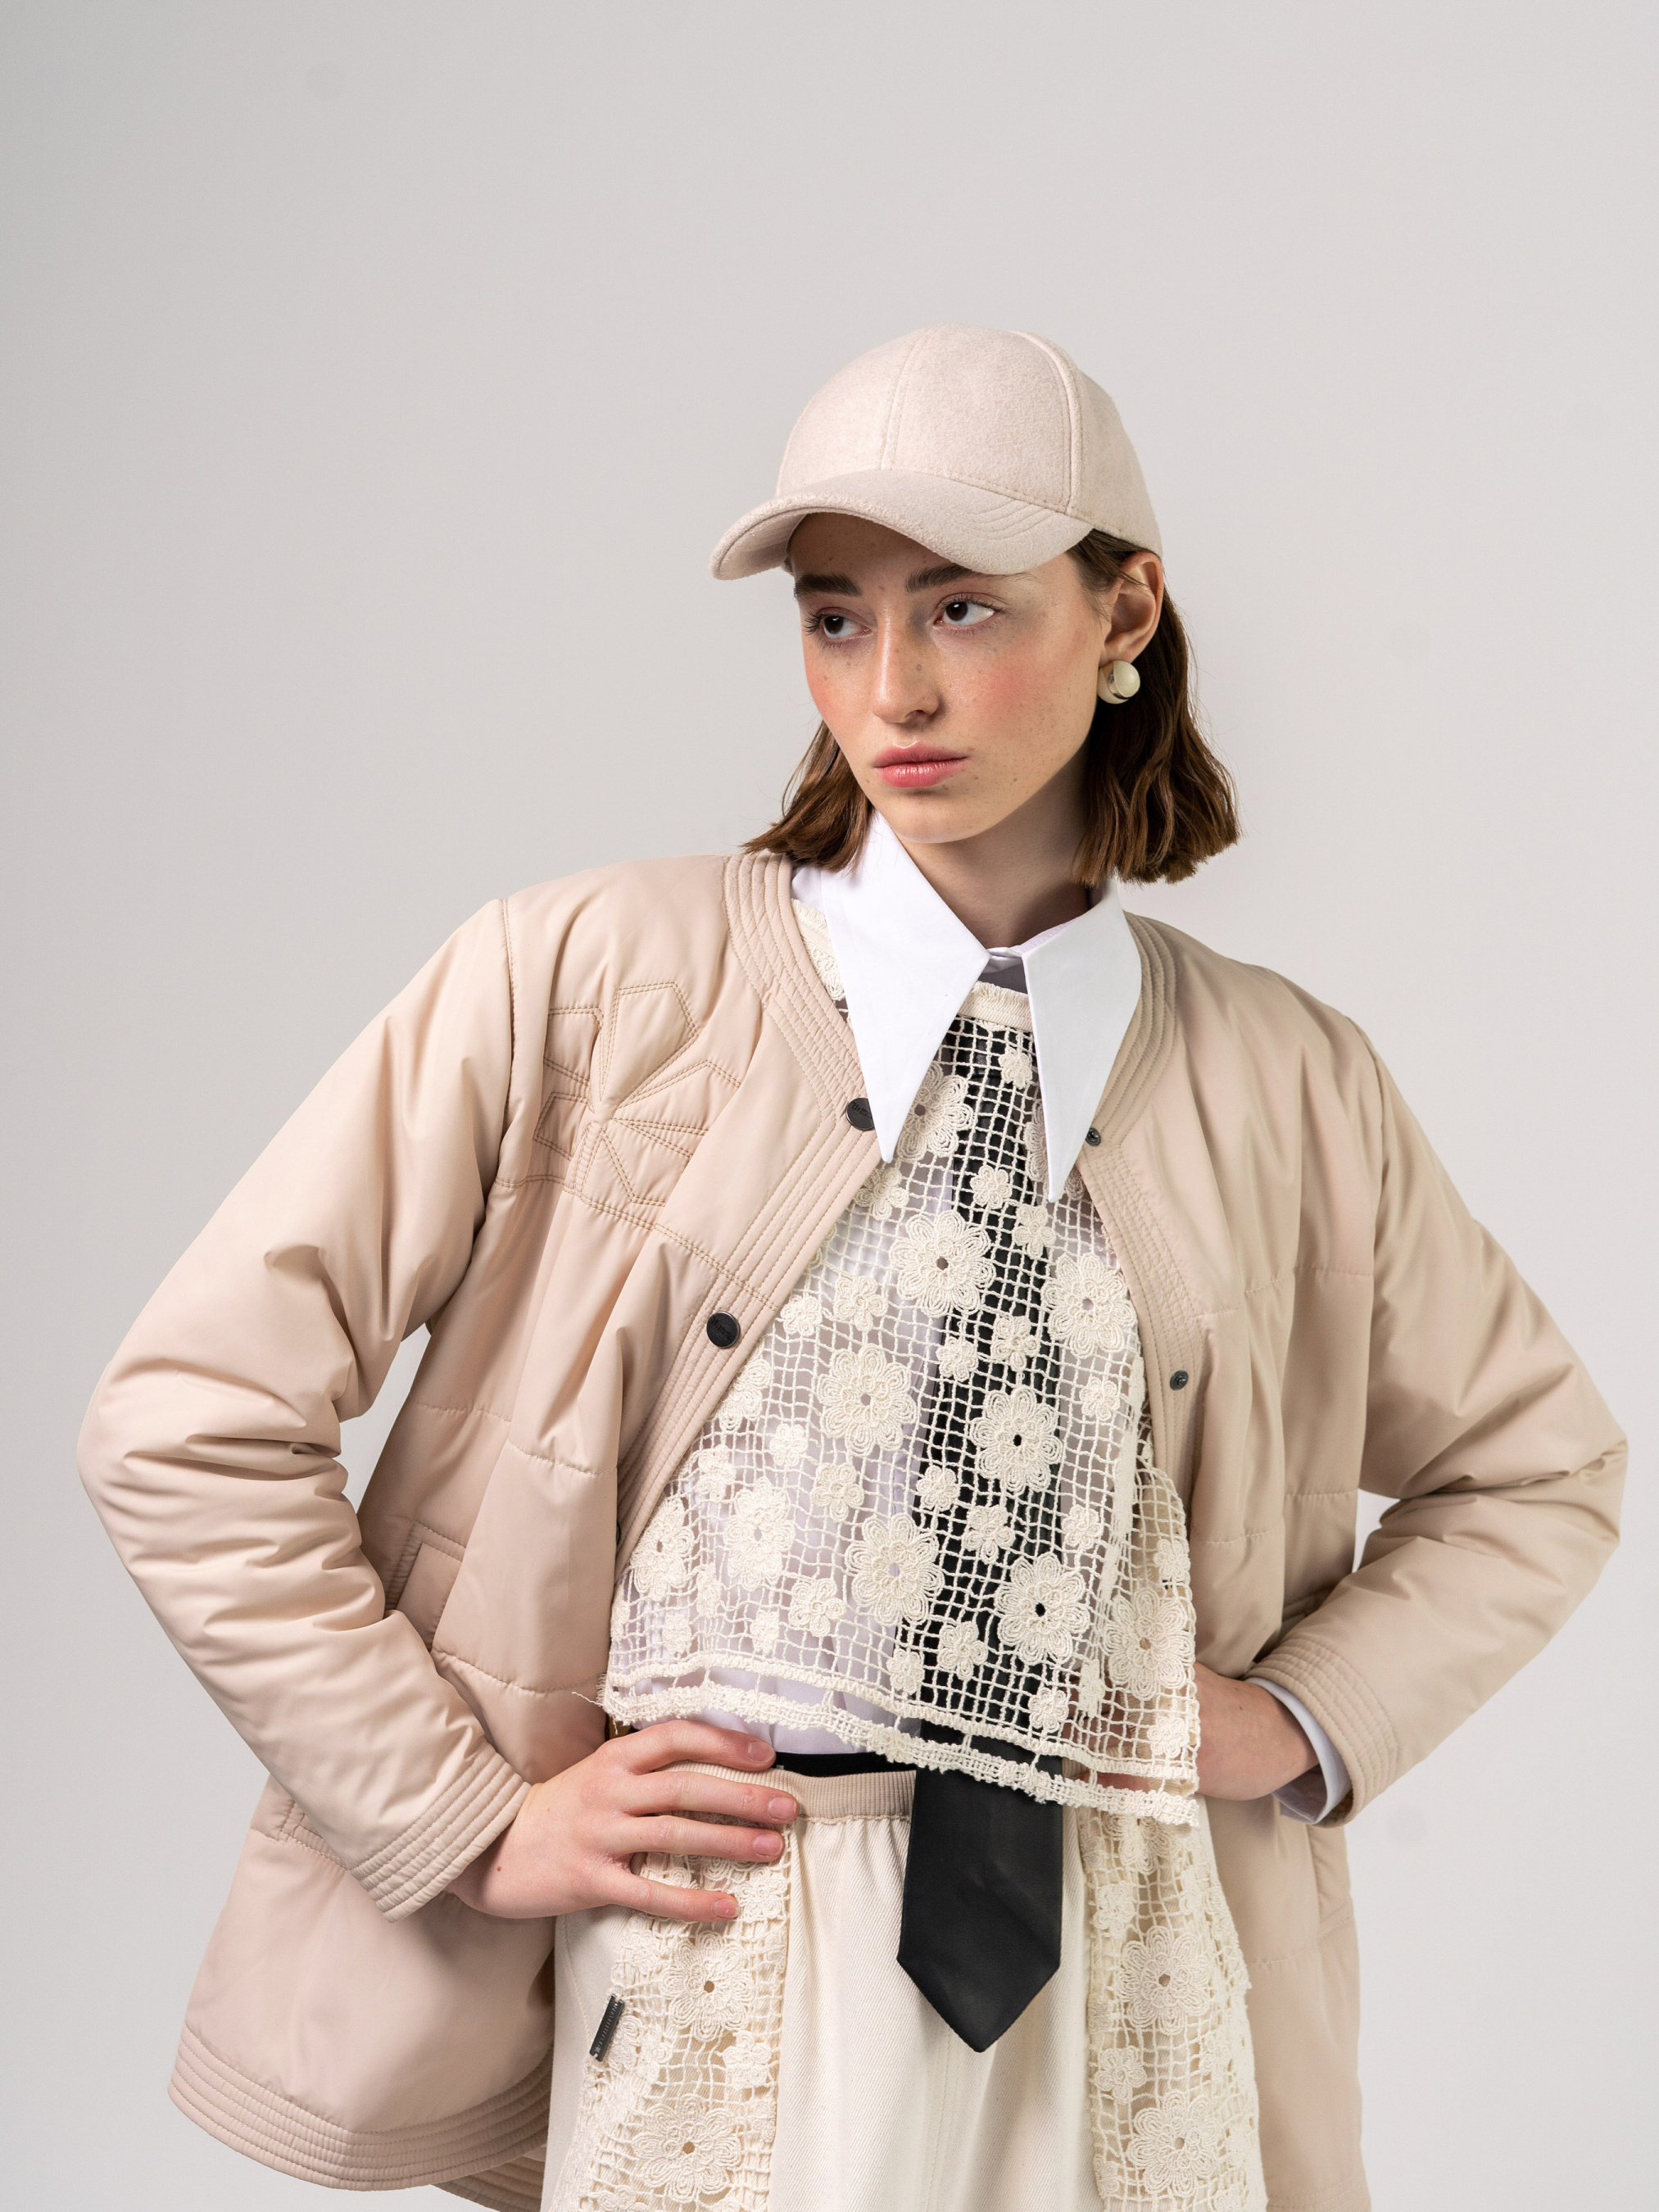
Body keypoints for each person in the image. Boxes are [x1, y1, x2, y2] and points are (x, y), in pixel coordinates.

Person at [79, 326, 1623, 2212]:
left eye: (961, 607)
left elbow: (1537, 1467)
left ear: (1124, 608)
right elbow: (185, 1419)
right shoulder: (585, 982)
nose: (889, 686)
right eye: (833, 617)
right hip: (727, 1949)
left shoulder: (1286, 1077)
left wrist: (1300, 1717)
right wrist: (463, 1816)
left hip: (1135, 1959)